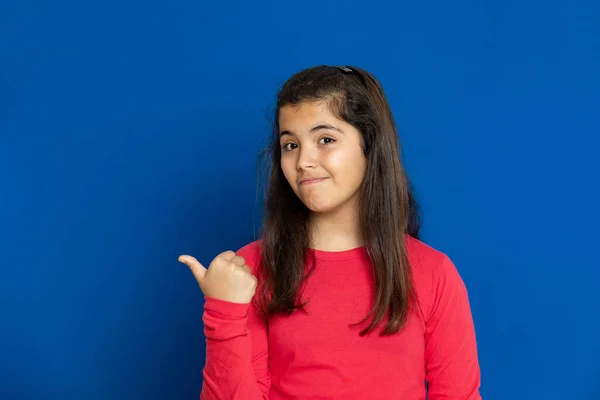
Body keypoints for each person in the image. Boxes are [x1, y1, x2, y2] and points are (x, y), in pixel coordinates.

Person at [178, 65, 482, 400]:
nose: (303, 161)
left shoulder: (433, 273)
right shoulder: (249, 270)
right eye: (290, 145)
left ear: (369, 146)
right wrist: (224, 313)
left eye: (325, 140)